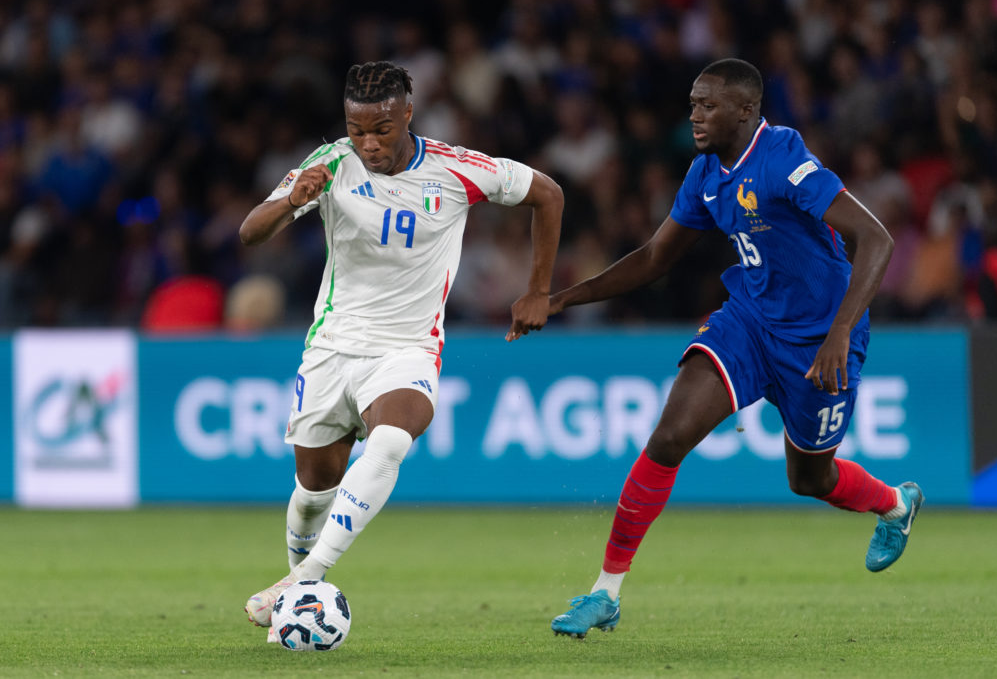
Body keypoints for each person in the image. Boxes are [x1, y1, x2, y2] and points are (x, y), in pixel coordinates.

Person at [532, 58, 923, 639]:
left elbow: (877, 238)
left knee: (809, 479)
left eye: (707, 105)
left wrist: (841, 329)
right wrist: (562, 299)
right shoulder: (705, 174)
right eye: (692, 103)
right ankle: (605, 593)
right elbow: (654, 259)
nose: (693, 115)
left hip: (820, 339)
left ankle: (894, 503)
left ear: (745, 110)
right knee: (668, 437)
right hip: (749, 321)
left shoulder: (784, 157)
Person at [238, 61, 562, 634]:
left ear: (407, 114)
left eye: (381, 130)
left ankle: (303, 581)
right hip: (332, 347)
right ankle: (300, 592)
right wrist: (292, 201)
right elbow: (249, 233)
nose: (368, 143)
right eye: (357, 129)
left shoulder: (457, 169)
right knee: (315, 491)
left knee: (391, 441)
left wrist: (538, 289)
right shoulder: (329, 163)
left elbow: (548, 193)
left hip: (408, 348)